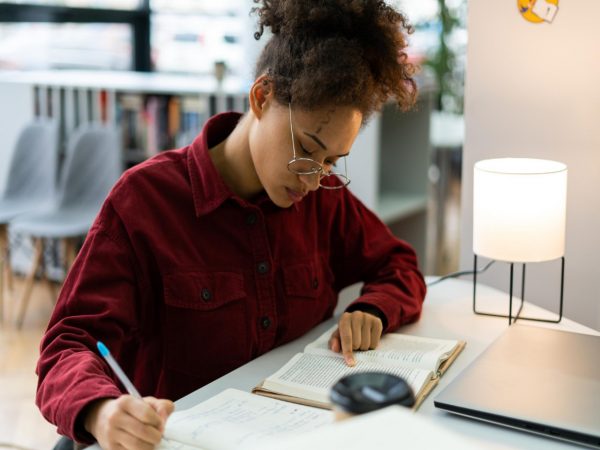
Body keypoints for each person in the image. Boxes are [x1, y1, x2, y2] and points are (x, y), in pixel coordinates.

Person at [37, 1, 426, 448]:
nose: (315, 179)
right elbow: (67, 345)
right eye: (307, 150)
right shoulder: (144, 202)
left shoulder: (319, 200)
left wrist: (373, 308)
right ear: (261, 97)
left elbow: (400, 264)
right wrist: (101, 410)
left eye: (331, 161)